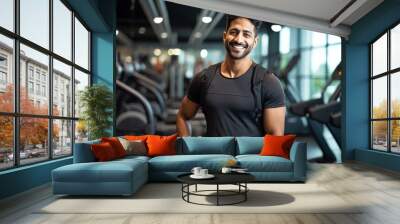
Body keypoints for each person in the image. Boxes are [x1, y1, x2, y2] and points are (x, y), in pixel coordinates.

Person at [176, 15, 286, 137]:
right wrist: (186, 149)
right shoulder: (204, 78)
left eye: (246, 34)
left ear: (255, 42)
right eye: (234, 32)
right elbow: (183, 116)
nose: (239, 39)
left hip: (250, 156)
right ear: (225, 36)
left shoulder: (268, 82)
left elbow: (275, 135)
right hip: (213, 156)